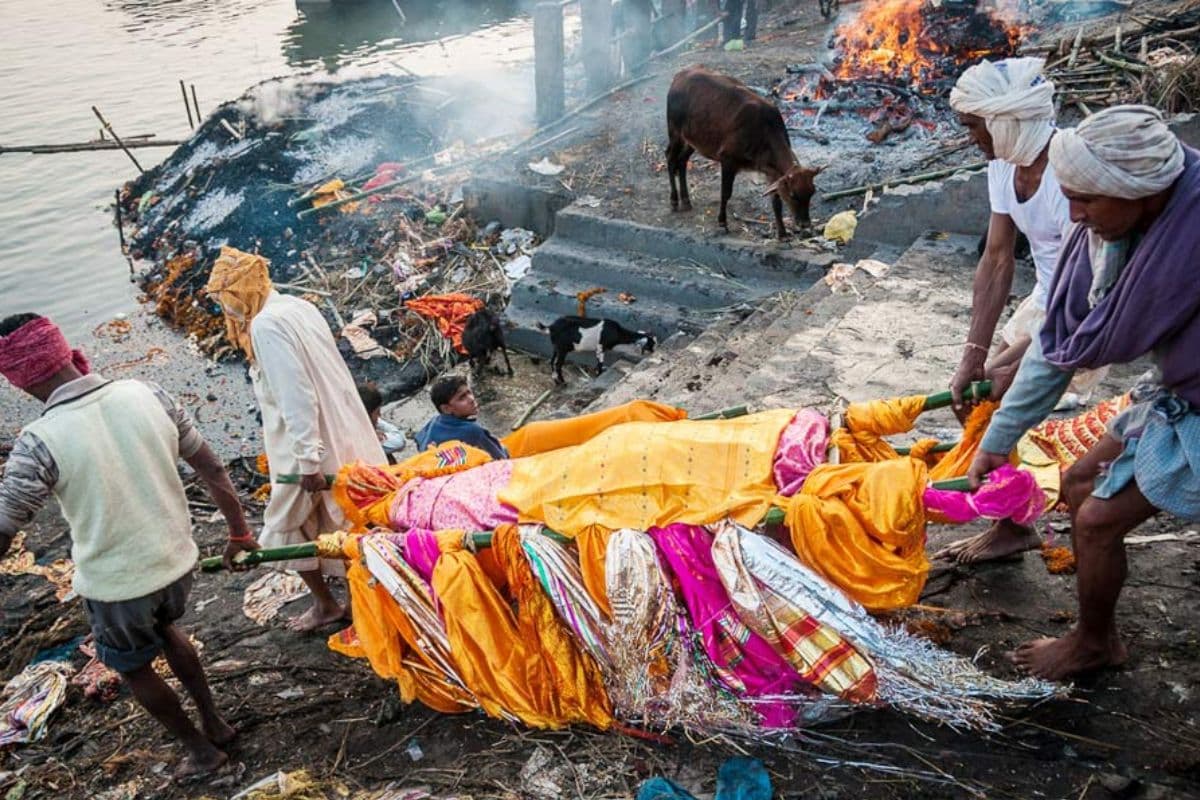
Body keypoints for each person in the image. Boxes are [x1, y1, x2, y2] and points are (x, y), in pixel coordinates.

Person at [967, 106, 1199, 680]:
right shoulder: (1119, 230)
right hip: (1178, 390)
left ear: (1138, 191)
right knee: (1076, 481)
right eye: (1069, 196)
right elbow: (1059, 343)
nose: (1074, 215)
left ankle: (1096, 643)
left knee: (1095, 521)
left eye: (1088, 201)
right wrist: (1000, 437)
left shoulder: (1189, 237)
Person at [0, 314, 257, 779]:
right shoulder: (146, 394)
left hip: (117, 584)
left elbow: (5, 525)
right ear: (62, 352)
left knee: (133, 666)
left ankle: (200, 751)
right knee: (166, 629)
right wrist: (240, 533)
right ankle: (215, 723)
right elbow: (213, 469)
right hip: (177, 561)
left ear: (19, 380)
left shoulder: (38, 443)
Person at [940, 57, 1103, 564]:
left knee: (1005, 401)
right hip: (1049, 301)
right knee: (982, 391)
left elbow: (1086, 288)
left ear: (1006, 119)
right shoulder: (1003, 165)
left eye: (975, 127)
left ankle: (1016, 523)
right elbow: (996, 257)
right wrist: (974, 351)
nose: (972, 138)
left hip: (1092, 305)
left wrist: (1020, 359)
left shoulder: (1069, 171)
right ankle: (1011, 520)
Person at [206, 247, 385, 633]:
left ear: (241, 292)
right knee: (342, 521)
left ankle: (332, 606)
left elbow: (296, 394)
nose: (227, 309)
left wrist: (307, 461)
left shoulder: (266, 326)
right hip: (343, 429)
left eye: (227, 298)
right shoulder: (298, 306)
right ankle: (352, 605)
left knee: (287, 525)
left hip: (306, 446)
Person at [414, 375, 509, 460]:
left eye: (469, 392)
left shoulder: (434, 421)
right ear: (446, 409)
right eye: (462, 398)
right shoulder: (474, 431)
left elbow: (419, 441)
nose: (471, 399)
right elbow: (501, 458)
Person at [357, 383, 406, 463]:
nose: (379, 415)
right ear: (367, 415)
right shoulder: (370, 439)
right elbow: (400, 442)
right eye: (377, 412)